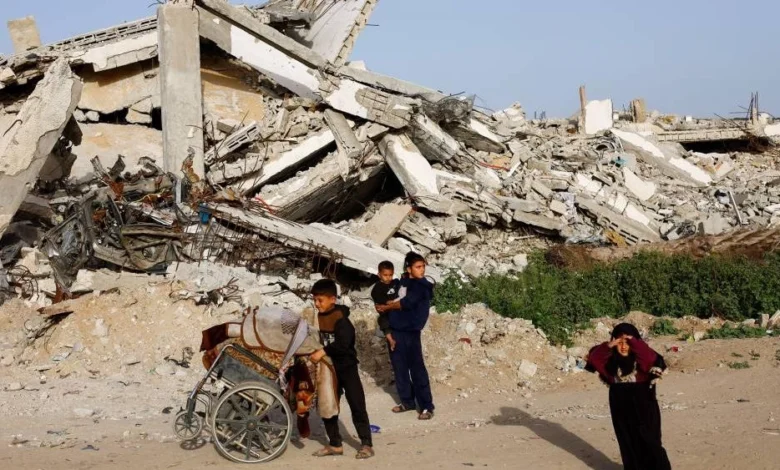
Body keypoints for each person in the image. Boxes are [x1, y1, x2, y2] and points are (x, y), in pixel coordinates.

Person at [585, 323, 672, 470]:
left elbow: (648, 358)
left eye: (627, 343)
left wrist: (634, 341)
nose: (624, 346)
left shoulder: (641, 361)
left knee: (651, 441)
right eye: (620, 342)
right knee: (628, 441)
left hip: (644, 406)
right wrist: (609, 345)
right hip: (620, 408)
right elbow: (594, 359)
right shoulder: (610, 364)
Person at [309, 279, 374, 459]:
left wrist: (323, 351)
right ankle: (335, 444)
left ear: (332, 299)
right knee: (328, 405)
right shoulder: (321, 316)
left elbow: (344, 344)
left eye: (320, 300)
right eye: (314, 300)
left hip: (347, 368)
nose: (317, 304)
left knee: (357, 405)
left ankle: (366, 444)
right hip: (330, 369)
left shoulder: (341, 319)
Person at [377, 252, 435, 420]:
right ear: (409, 269)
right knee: (399, 368)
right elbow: (392, 295)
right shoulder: (402, 282)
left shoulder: (422, 285)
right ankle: (407, 401)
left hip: (411, 332)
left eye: (423, 266)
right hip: (396, 330)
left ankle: (426, 405)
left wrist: (387, 307)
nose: (422, 270)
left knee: (417, 369)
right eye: (418, 267)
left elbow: (406, 303)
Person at [371, 261, 400, 354]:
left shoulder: (395, 283)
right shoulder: (377, 288)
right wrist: (388, 302)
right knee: (383, 322)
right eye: (385, 275)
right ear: (379, 275)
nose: (388, 277)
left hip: (396, 310)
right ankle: (391, 340)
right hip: (386, 313)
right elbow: (378, 298)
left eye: (390, 275)